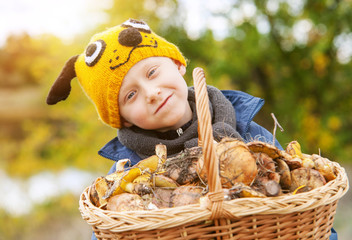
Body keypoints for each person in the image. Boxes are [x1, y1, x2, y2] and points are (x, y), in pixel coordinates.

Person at [46, 19, 338, 240]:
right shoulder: (126, 176)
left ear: (177, 64)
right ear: (123, 119)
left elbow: (307, 212)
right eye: (130, 96)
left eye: (152, 72)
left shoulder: (247, 129)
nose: (151, 92)